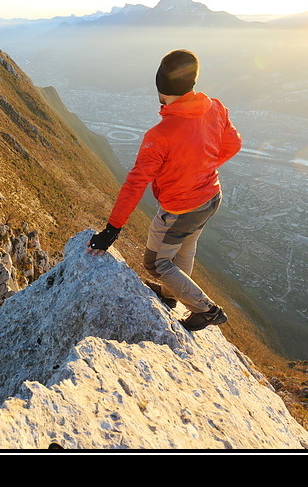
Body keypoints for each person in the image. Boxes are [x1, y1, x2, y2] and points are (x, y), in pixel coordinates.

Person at [87, 49, 242, 332]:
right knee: (185, 250)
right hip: (210, 197)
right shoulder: (215, 107)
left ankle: (205, 310)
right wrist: (201, 168)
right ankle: (170, 296)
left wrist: (112, 229)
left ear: (161, 87)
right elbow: (233, 145)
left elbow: (135, 184)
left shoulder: (160, 135)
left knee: (156, 263)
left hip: (180, 208)